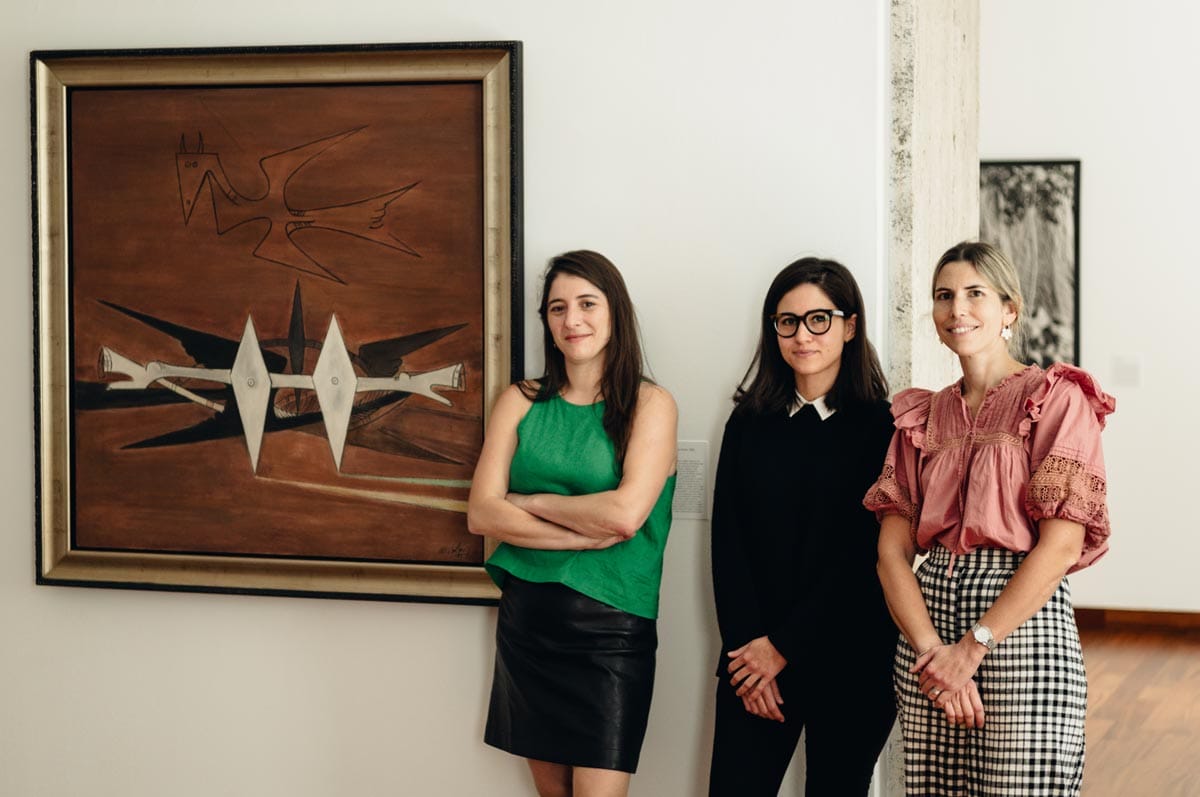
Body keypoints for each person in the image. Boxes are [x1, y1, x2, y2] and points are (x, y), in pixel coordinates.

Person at [864, 241, 1115, 795]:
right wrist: (934, 653)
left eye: (975, 294)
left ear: (1009, 310)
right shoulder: (920, 417)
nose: (958, 309)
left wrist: (972, 648)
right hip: (925, 627)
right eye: (944, 296)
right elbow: (890, 553)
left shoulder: (1056, 399)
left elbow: (1060, 547)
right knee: (934, 789)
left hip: (1018, 623)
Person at [467, 250, 677, 797]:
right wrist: (582, 531)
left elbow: (626, 515)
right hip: (529, 622)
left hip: (613, 627)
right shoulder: (518, 400)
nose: (572, 320)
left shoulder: (651, 405)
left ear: (615, 312)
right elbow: (482, 512)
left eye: (587, 303)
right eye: (557, 308)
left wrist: (528, 500)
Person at [709, 257, 897, 796]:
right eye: (787, 321)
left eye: (819, 319)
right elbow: (729, 545)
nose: (801, 335)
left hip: (852, 658)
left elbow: (865, 556)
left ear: (850, 326)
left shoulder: (882, 427)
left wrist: (783, 645)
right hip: (755, 661)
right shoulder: (748, 424)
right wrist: (749, 653)